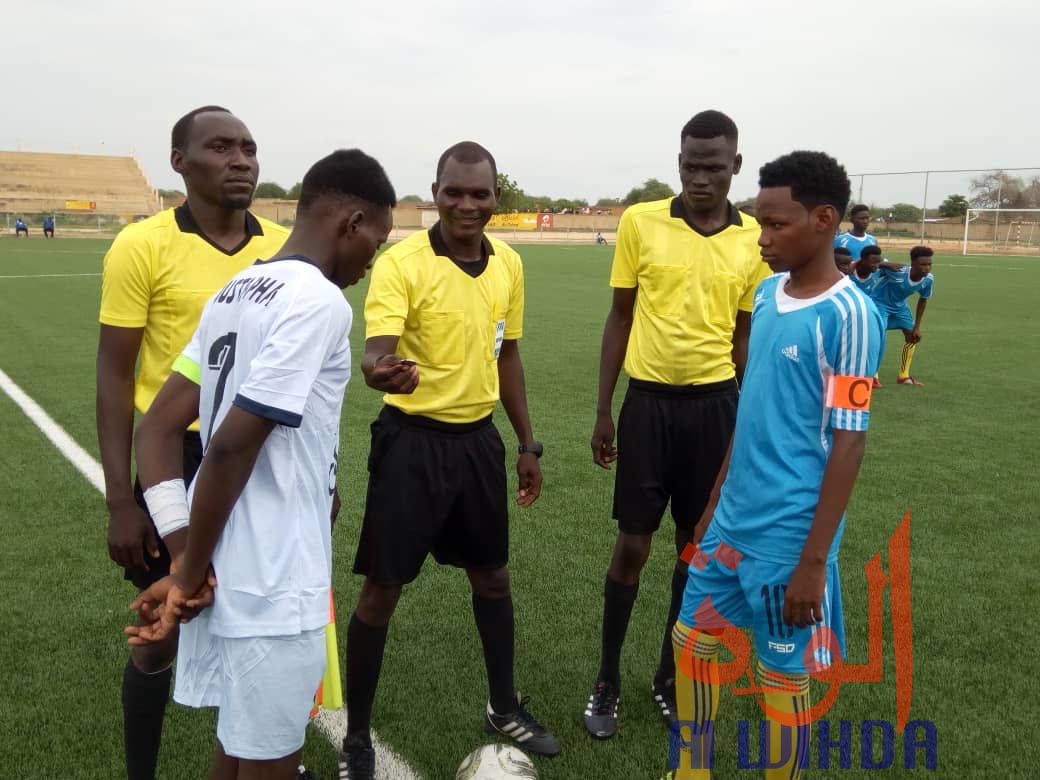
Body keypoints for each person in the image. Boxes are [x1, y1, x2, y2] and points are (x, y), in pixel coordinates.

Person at [124, 149, 396, 780]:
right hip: (274, 577)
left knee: (237, 751)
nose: (370, 262)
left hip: (227, 569)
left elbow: (157, 428)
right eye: (375, 244)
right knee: (270, 762)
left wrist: (185, 548)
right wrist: (187, 571)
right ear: (351, 223)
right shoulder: (319, 303)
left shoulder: (234, 290)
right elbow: (231, 445)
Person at [340, 141, 559, 780]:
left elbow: (508, 354)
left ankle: (502, 705)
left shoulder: (509, 264)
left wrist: (527, 443)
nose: (467, 204)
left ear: (496, 196)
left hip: (479, 444)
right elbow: (374, 354)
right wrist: (383, 373)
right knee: (382, 590)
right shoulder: (402, 262)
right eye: (454, 192)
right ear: (435, 192)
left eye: (480, 193)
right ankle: (356, 735)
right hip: (411, 444)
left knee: (492, 578)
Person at [663, 150, 883, 780]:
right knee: (692, 644)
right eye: (758, 223)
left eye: (776, 225)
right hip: (731, 521)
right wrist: (710, 507)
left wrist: (814, 563)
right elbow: (752, 409)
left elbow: (850, 442)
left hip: (790, 535)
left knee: (779, 678)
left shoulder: (851, 316)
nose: (762, 238)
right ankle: (692, 771)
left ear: (823, 220)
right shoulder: (764, 294)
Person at [96, 105, 289, 780]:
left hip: (260, 467)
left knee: (255, 630)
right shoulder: (141, 246)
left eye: (248, 147)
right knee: (162, 633)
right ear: (180, 161)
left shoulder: (286, 250)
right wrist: (122, 498)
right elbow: (117, 376)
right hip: (171, 464)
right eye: (221, 148)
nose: (240, 159)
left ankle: (260, 757)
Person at [584, 110, 769, 740]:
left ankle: (667, 677)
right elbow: (619, 317)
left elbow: (744, 333)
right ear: (679, 162)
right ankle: (606, 677)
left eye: (713, 167)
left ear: (735, 167)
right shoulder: (641, 222)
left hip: (714, 408)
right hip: (648, 406)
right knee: (633, 545)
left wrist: (745, 419)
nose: (700, 177)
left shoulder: (752, 240)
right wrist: (605, 409)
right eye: (690, 164)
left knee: (695, 550)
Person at [871, 245, 935, 386]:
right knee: (878, 336)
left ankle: (903, 376)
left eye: (929, 264)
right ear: (912, 264)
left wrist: (917, 326)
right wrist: (885, 263)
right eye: (923, 264)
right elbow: (872, 265)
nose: (927, 268)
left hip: (899, 306)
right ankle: (872, 376)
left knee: (913, 336)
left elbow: (923, 300)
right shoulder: (898, 271)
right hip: (878, 303)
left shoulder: (928, 279)